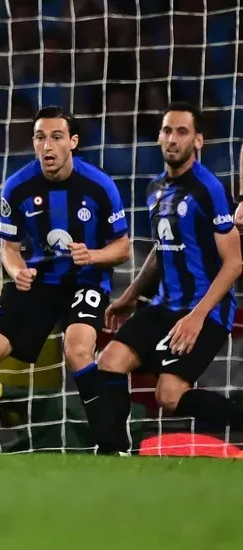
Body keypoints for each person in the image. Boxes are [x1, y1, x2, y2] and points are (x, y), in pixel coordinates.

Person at [0, 106, 130, 452]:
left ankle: (112, 449)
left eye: (56, 137)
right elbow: (9, 247)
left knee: (78, 351)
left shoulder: (100, 186)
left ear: (73, 142)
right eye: (40, 137)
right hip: (37, 282)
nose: (47, 146)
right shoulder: (16, 187)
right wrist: (17, 272)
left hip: (85, 280)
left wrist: (92, 256)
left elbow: (123, 248)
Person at [91, 102, 241, 454]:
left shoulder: (209, 189)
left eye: (182, 132)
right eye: (167, 131)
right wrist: (130, 295)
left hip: (205, 309)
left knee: (169, 396)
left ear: (198, 141)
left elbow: (234, 262)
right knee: (109, 362)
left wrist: (196, 317)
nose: (172, 139)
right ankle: (113, 453)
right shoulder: (155, 190)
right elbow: (163, 249)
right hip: (163, 305)